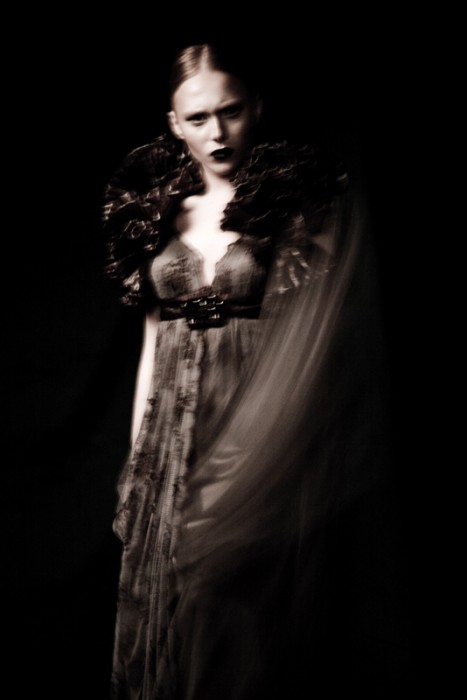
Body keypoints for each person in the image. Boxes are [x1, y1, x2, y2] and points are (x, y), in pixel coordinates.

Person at [103, 42, 404, 700]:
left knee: (234, 603)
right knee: (172, 595)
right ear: (175, 124)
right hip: (172, 430)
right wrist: (139, 455)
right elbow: (154, 339)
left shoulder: (295, 206)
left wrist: (267, 445)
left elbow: (312, 346)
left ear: (256, 108)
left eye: (230, 111)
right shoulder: (156, 214)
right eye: (198, 117)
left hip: (257, 422)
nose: (216, 132)